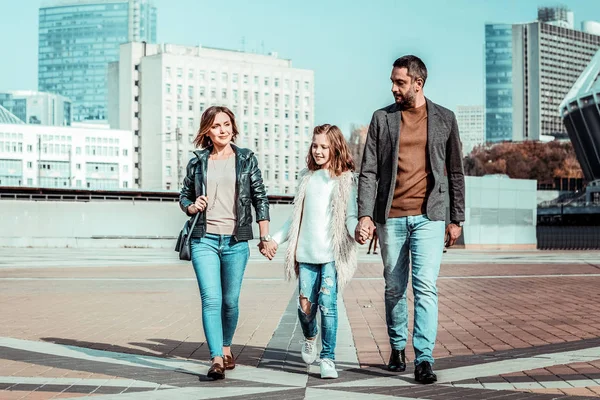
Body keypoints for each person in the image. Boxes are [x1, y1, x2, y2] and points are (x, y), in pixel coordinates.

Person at [355, 55, 465, 384]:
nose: (393, 88)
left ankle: (424, 358)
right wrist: (365, 215)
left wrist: (456, 217)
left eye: (400, 82)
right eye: (392, 81)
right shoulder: (381, 119)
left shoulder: (445, 118)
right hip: (391, 216)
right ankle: (398, 346)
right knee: (394, 288)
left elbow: (456, 171)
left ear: (418, 83)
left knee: (425, 287)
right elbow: (369, 171)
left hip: (430, 216)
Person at [179, 105, 276, 380]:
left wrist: (264, 236)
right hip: (203, 239)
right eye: (216, 126)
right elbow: (184, 195)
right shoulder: (197, 161)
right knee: (211, 299)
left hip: (236, 240)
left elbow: (260, 198)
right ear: (207, 132)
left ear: (233, 127)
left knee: (230, 301)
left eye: (226, 124)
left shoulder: (246, 159)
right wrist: (191, 206)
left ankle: (226, 346)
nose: (222, 130)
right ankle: (216, 358)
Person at [264, 124, 367, 379]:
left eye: (324, 146)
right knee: (305, 309)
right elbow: (294, 220)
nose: (318, 151)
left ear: (335, 148)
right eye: (315, 145)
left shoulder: (344, 181)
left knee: (328, 306)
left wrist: (358, 231)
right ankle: (310, 336)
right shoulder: (306, 178)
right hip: (306, 255)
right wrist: (275, 239)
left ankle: (328, 358)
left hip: (331, 256)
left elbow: (349, 216)